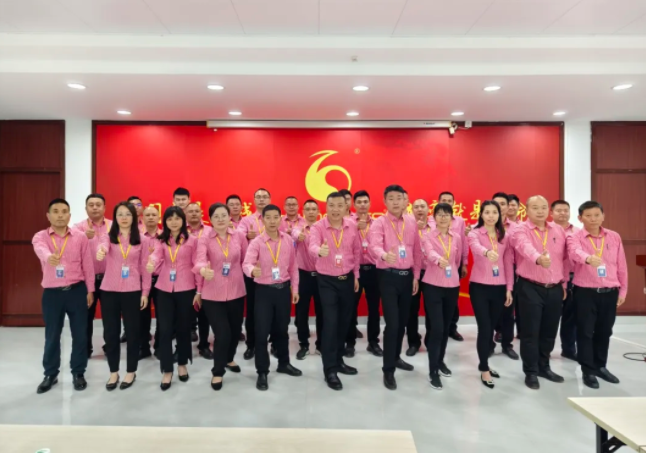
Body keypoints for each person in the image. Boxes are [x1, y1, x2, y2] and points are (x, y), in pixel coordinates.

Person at [32, 198, 95, 394]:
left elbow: (88, 265)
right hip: (52, 294)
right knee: (52, 335)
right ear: (48, 215)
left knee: (80, 334)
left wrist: (90, 290)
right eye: (56, 211)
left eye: (64, 211)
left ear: (69, 215)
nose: (60, 215)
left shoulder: (80, 237)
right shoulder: (40, 236)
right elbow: (40, 250)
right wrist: (48, 257)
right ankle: (50, 374)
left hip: (77, 291)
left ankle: (78, 372)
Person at [567, 201, 627, 389]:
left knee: (605, 331)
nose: (593, 219)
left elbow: (621, 265)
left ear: (603, 216)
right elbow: (574, 253)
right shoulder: (574, 237)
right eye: (588, 216)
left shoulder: (614, 236)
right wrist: (587, 258)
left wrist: (623, 289)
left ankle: (600, 366)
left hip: (610, 291)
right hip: (585, 292)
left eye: (596, 215)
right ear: (580, 218)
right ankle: (588, 370)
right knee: (585, 331)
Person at [242, 204, 302, 391]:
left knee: (282, 330)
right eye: (268, 217)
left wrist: (295, 289)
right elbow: (246, 263)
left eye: (276, 217)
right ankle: (262, 371)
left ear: (280, 218)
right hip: (264, 292)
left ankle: (284, 363)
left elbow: (293, 266)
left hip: (283, 291)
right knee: (261, 333)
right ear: (263, 220)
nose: (272, 221)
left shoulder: (287, 240)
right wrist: (253, 271)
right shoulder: (257, 242)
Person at [512, 195, 568, 390]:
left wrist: (563, 284)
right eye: (535, 207)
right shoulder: (520, 229)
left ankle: (544, 366)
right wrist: (538, 258)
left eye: (544, 207)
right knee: (530, 332)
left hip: (554, 287)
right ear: (527, 210)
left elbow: (564, 259)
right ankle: (531, 371)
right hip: (530, 287)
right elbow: (524, 247)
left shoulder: (558, 230)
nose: (540, 211)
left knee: (549, 331)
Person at [368, 184, 421, 390]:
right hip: (387, 277)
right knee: (392, 323)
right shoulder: (379, 223)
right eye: (391, 198)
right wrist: (383, 255)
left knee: (403, 322)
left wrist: (416, 276)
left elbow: (417, 251)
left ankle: (396, 357)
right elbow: (374, 245)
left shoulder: (411, 221)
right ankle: (388, 369)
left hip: (407, 278)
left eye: (399, 198)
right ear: (385, 201)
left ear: (405, 200)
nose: (396, 202)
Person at [309, 192, 361, 390]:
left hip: (347, 279)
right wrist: (319, 251)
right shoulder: (318, 227)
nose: (336, 209)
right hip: (326, 281)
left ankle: (339, 360)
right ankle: (329, 369)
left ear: (346, 207)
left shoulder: (352, 226)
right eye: (332, 205)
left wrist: (356, 276)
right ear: (326, 206)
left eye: (340, 205)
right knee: (330, 323)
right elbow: (312, 245)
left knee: (344, 322)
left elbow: (356, 252)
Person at [97, 201, 151, 391]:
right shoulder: (108, 237)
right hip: (109, 291)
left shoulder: (142, 239)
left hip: (132, 291)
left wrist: (145, 292)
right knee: (111, 333)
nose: (124, 218)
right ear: (115, 217)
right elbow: (102, 246)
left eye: (127, 214)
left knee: (133, 333)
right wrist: (101, 251)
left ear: (134, 217)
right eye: (120, 214)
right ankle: (113, 372)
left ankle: (131, 371)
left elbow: (145, 269)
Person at [147, 206, 202, 390]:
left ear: (183, 221)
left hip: (186, 288)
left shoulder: (193, 240)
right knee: (164, 330)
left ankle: (182, 363)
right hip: (164, 289)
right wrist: (151, 262)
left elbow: (198, 263)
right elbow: (156, 255)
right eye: (170, 219)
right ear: (165, 222)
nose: (174, 222)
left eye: (177, 218)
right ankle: (167, 368)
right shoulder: (161, 240)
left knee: (183, 328)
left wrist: (199, 291)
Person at [194, 203, 247, 390]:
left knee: (234, 331)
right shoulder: (204, 238)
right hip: (213, 293)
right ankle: (217, 371)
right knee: (222, 333)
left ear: (229, 216)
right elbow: (199, 260)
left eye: (224, 215)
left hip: (236, 291)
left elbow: (245, 260)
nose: (221, 219)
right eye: (216, 216)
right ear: (210, 219)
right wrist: (203, 270)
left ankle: (229, 359)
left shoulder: (239, 236)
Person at [467, 201, 514, 389]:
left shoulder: (504, 235)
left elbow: (508, 263)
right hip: (479, 286)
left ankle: (484, 364)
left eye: (495, 212)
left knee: (492, 328)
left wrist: (509, 288)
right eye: (487, 212)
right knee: (484, 328)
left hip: (499, 287)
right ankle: (484, 367)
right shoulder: (475, 233)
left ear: (499, 215)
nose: (491, 216)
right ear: (481, 214)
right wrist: (487, 252)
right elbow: (475, 247)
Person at [421, 203, 464, 390]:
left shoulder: (456, 237)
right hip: (432, 285)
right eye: (439, 214)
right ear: (434, 217)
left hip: (452, 285)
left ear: (451, 218)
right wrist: (439, 260)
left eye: (447, 214)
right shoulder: (427, 236)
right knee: (437, 328)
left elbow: (457, 260)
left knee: (446, 328)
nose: (443, 217)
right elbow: (429, 253)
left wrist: (450, 269)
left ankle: (440, 361)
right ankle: (432, 371)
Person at [72, 193, 112, 358]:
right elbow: (70, 250)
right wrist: (83, 238)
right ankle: (85, 349)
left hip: (110, 279)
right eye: (91, 205)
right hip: (86, 281)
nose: (95, 207)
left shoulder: (113, 226)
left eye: (98, 204)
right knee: (85, 317)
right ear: (86, 208)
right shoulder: (77, 228)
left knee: (110, 317)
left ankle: (110, 347)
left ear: (104, 207)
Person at [346, 190, 382, 357]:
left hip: (374, 270)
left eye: (365, 202)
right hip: (355, 270)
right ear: (353, 205)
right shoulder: (347, 223)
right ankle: (350, 343)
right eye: (359, 202)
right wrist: (354, 228)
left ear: (370, 204)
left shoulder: (377, 224)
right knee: (350, 307)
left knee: (374, 308)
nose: (362, 205)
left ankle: (373, 342)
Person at [237, 188, 272, 360]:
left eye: (265, 197)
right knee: (252, 309)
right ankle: (251, 345)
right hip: (252, 272)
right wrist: (245, 235)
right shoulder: (246, 221)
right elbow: (236, 236)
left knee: (272, 309)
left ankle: (273, 343)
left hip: (272, 271)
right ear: (253, 200)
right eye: (258, 197)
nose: (261, 199)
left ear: (270, 199)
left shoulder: (276, 218)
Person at [429, 191, 468, 342]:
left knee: (452, 301)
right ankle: (433, 332)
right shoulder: (431, 220)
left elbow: (463, 242)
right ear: (437, 202)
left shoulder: (460, 221)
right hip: (433, 266)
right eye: (443, 200)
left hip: (452, 266)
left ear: (454, 203)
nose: (446, 202)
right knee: (434, 304)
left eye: (449, 200)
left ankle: (452, 328)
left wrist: (463, 263)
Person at [293, 199, 324, 360]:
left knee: (322, 311)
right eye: (308, 209)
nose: (311, 212)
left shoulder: (323, 228)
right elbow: (293, 235)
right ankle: (303, 344)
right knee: (301, 311)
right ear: (303, 212)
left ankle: (321, 344)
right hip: (303, 275)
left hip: (321, 275)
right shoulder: (297, 228)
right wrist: (297, 236)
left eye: (314, 209)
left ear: (318, 211)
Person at [491, 192, 520, 360]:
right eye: (496, 203)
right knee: (490, 310)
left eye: (503, 204)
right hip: (489, 272)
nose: (499, 207)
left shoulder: (516, 227)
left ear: (509, 207)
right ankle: (490, 342)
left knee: (508, 310)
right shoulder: (484, 226)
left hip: (510, 270)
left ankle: (507, 345)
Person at [551, 200, 579, 361]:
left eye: (565, 210)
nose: (563, 213)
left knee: (571, 316)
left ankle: (568, 349)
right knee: (550, 318)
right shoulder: (546, 231)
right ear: (551, 213)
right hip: (552, 279)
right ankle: (544, 351)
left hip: (573, 278)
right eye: (559, 210)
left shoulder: (577, 231)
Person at [186, 202, 213, 359]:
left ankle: (204, 345)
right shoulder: (180, 231)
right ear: (185, 214)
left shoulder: (210, 231)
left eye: (197, 211)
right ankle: (182, 348)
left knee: (204, 315)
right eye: (191, 211)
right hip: (186, 279)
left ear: (201, 213)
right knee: (184, 315)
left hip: (205, 278)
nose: (194, 213)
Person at [406, 198, 431, 356]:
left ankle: (430, 341)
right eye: (416, 207)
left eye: (423, 206)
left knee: (431, 310)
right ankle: (413, 342)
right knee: (411, 310)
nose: (420, 209)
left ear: (428, 209)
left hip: (431, 274)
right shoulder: (407, 226)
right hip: (412, 274)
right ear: (412, 209)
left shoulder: (435, 226)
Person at [139, 205, 161, 359]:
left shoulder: (165, 236)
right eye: (148, 215)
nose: (151, 217)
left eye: (154, 215)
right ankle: (143, 347)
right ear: (142, 218)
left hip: (161, 280)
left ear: (159, 218)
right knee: (142, 315)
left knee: (163, 315)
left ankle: (159, 346)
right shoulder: (137, 237)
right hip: (141, 280)